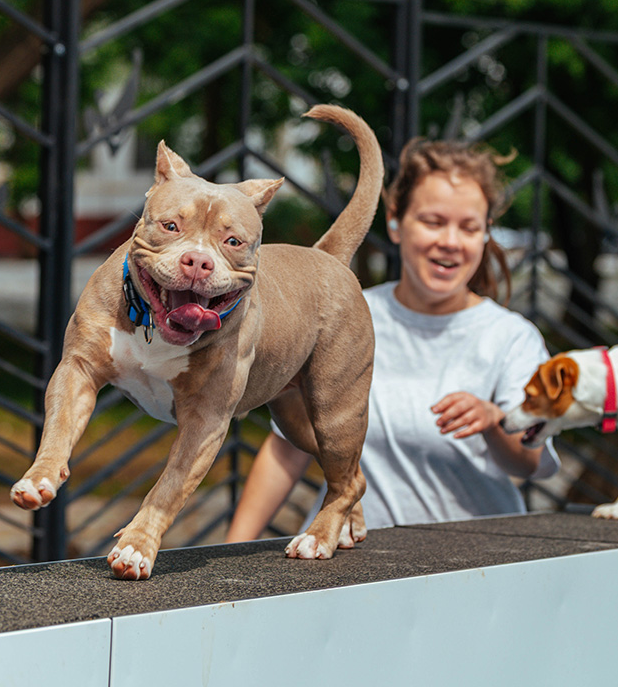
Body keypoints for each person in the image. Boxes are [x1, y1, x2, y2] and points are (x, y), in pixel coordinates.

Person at [224, 138, 559, 541]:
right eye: (433, 221)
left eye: (469, 227)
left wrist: (494, 421)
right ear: (396, 222)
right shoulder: (340, 315)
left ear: (486, 234)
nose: (450, 241)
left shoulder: (511, 338)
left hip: (474, 565)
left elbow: (530, 461)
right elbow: (287, 449)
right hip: (352, 563)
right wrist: (230, 558)